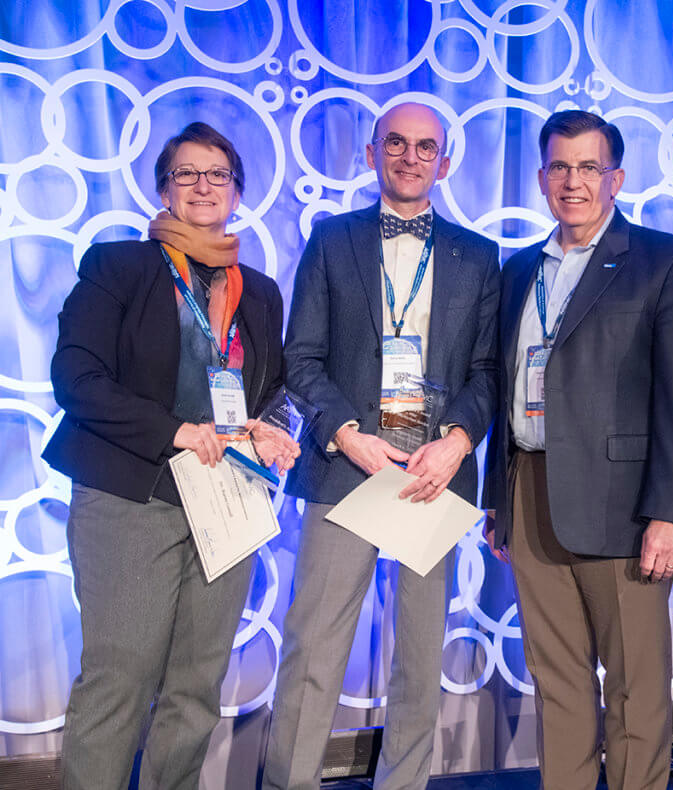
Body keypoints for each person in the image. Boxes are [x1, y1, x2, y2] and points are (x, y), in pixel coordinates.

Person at [45, 121, 300, 789]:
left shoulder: (261, 291)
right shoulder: (120, 267)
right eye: (186, 174)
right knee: (120, 677)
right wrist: (175, 431)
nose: (202, 186)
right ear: (162, 188)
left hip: (228, 500)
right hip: (134, 496)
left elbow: (269, 389)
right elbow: (76, 378)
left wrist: (271, 428)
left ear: (238, 192)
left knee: (197, 684)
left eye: (217, 174)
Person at [262, 102, 499, 790]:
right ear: (371, 153)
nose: (410, 156)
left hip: (433, 473)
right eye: (395, 142)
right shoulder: (331, 239)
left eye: (426, 147)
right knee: (314, 651)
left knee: (421, 660)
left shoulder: (478, 255)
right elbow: (301, 358)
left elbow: (487, 370)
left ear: (445, 163)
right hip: (347, 467)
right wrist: (346, 434)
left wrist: (456, 443)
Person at [485, 110, 673, 790]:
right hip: (529, 491)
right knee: (554, 680)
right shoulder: (517, 269)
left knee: (634, 687)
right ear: (540, 177)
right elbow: (508, 385)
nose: (573, 181)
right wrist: (497, 500)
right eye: (560, 166)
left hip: (627, 507)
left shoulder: (667, 261)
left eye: (589, 167)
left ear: (616, 178)